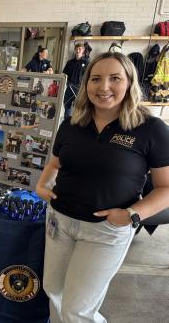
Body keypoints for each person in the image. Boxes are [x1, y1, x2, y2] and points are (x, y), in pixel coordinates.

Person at [36, 52, 169, 323]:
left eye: (115, 79)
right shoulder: (73, 124)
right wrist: (42, 184)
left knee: (78, 310)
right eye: (95, 79)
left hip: (106, 232)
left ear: (130, 83)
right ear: (86, 85)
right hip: (59, 223)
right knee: (55, 292)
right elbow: (55, 163)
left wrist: (131, 215)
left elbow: (166, 188)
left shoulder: (151, 129)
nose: (103, 87)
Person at [62, 43, 89, 116]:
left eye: (79, 49)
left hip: (79, 88)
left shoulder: (86, 62)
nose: (78, 50)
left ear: (83, 50)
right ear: (74, 50)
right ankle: (66, 121)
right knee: (66, 105)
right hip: (69, 87)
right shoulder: (69, 62)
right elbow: (64, 74)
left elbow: (88, 76)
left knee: (79, 107)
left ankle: (77, 123)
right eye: (76, 49)